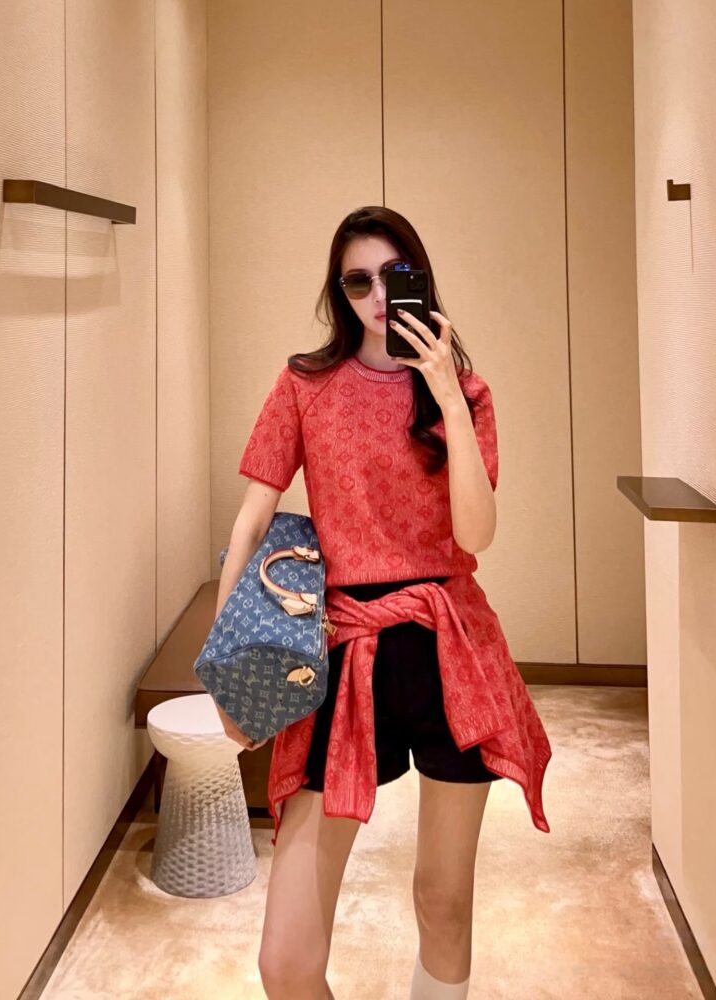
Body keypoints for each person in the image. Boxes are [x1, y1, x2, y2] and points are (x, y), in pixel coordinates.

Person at [215, 206, 552, 1000]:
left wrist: (448, 399)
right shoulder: (304, 384)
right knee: (286, 961)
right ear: (338, 291)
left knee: (444, 902)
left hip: (447, 648)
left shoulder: (465, 394)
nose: (375, 295)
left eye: (392, 277)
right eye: (356, 280)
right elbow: (252, 519)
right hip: (342, 649)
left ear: (419, 281)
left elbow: (475, 535)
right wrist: (223, 665)